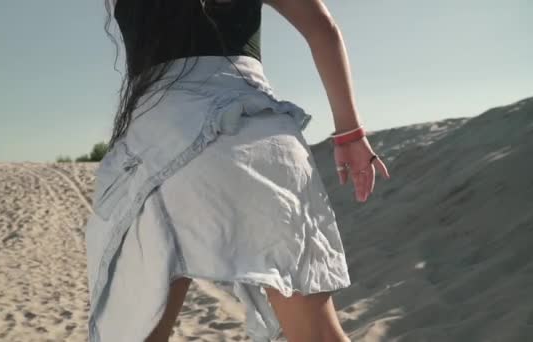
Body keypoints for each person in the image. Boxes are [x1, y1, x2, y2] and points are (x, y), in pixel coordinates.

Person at [84, 0, 391, 341]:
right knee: (318, 333)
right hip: (263, 140)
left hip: (162, 140)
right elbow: (323, 28)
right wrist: (349, 134)